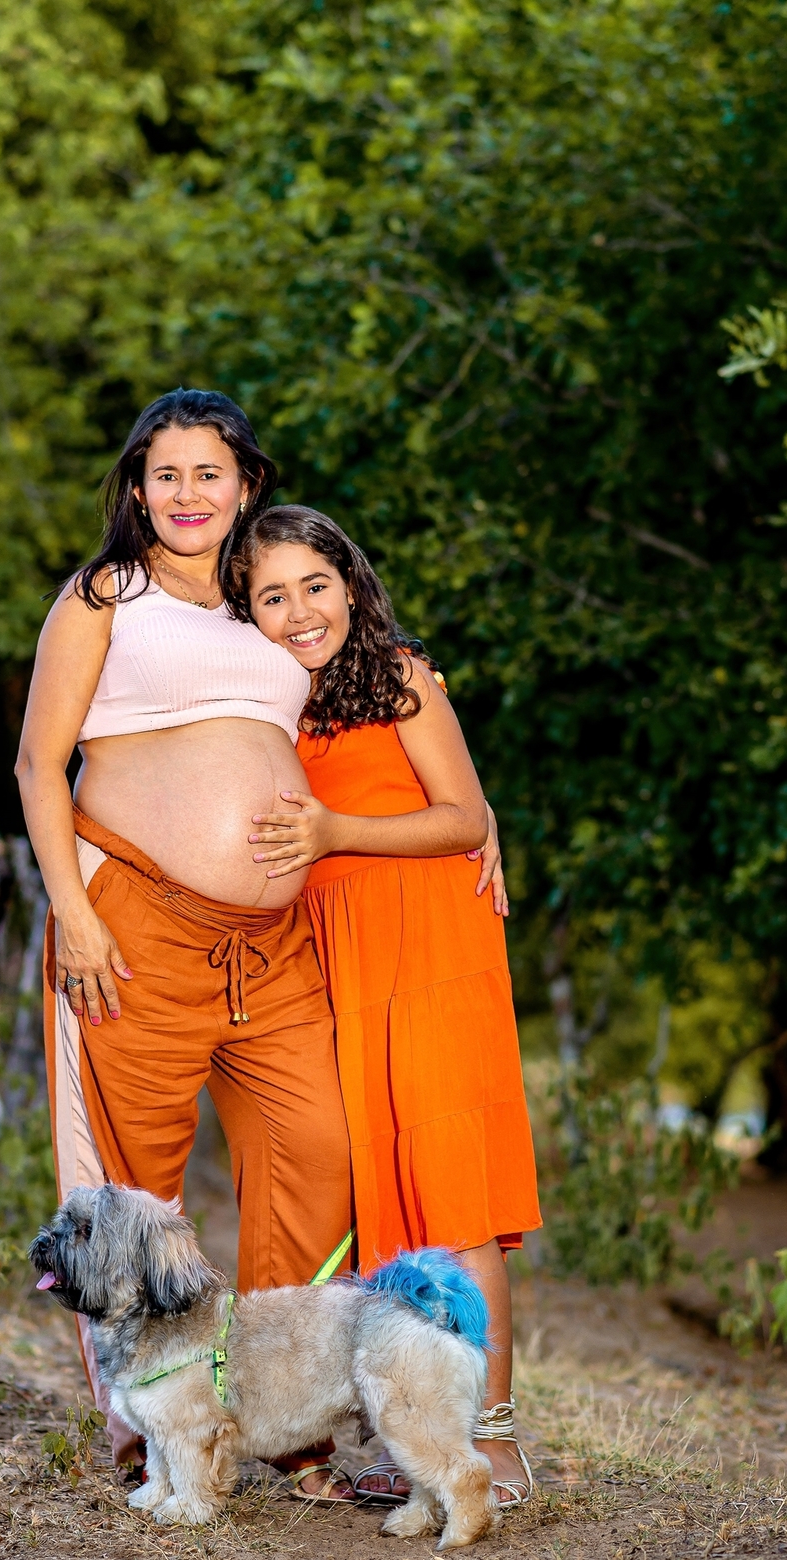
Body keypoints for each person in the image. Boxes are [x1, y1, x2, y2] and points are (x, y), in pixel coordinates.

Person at [15, 392, 353, 1500]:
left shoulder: (274, 603)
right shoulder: (106, 595)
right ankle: (144, 1428)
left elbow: (378, 697)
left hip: (273, 945)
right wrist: (73, 906)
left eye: (209, 473)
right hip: (135, 925)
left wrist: (472, 809)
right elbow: (36, 763)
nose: (188, 495)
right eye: (166, 475)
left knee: (320, 1149)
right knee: (125, 1194)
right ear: (136, 487)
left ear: (246, 481)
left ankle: (278, 1410)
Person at [227, 504, 543, 1509]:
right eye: (272, 596)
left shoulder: (400, 674)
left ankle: (495, 1442)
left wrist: (333, 831)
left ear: (353, 584)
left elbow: (465, 815)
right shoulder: (270, 705)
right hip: (344, 968)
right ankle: (413, 1429)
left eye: (315, 584)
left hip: (431, 948)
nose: (299, 609)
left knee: (454, 1200)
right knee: (386, 1203)